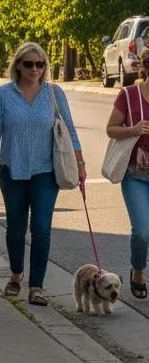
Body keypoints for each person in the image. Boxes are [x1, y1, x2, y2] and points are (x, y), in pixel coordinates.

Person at [0, 42, 84, 306]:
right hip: (12, 170)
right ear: (17, 65)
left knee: (41, 229)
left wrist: (80, 162)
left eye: (40, 64)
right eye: (29, 64)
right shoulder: (4, 95)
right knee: (16, 229)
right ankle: (16, 274)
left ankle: (36, 286)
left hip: (45, 172)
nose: (35, 69)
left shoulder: (53, 93)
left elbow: (69, 129)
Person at [106, 46, 149, 301]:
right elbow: (111, 129)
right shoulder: (129, 95)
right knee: (142, 231)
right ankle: (138, 271)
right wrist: (133, 129)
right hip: (135, 174)